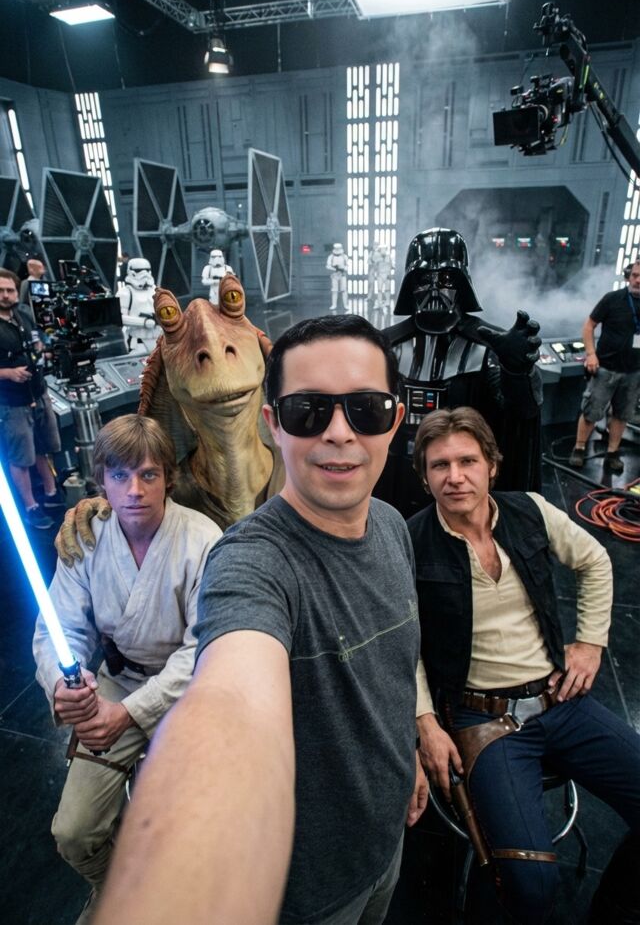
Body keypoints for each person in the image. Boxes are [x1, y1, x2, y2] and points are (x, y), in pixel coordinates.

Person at [93, 314, 428, 925]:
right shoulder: (251, 562)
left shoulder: (390, 526)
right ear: (272, 424)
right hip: (309, 893)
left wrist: (405, 753)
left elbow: (392, 667)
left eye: (366, 410)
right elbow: (231, 702)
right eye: (307, 411)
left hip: (387, 843)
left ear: (395, 420)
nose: (339, 433)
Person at [410, 406, 640, 925]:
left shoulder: (531, 510)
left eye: (467, 461)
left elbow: (595, 560)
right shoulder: (411, 542)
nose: (455, 476)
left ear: (492, 465)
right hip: (483, 719)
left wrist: (591, 643)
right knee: (531, 884)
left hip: (561, 700)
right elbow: (405, 645)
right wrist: (426, 722)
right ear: (424, 478)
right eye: (440, 465)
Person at [32, 414, 222, 925]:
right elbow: (59, 628)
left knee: (193, 835)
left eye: (148, 474)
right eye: (119, 476)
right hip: (114, 683)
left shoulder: (202, 540)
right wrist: (65, 683)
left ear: (168, 477)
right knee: (73, 833)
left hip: (186, 694)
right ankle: (120, 888)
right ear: (101, 480)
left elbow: (202, 646)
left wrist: (131, 714)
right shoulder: (85, 538)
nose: (134, 490)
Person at [379, 228, 543, 519]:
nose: (434, 289)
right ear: (410, 285)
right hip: (399, 477)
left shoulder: (487, 345)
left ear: (462, 283)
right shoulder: (386, 345)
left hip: (461, 480)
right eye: (424, 279)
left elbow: (520, 413)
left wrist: (517, 371)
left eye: (446, 279)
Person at [0, 267, 63, 529]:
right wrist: (7, 373)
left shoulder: (24, 315)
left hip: (39, 393)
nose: (5, 295)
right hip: (12, 403)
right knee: (21, 457)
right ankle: (31, 507)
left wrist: (43, 350)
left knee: (43, 447)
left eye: (10, 290)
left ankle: (51, 493)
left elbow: (40, 338)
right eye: (1, 291)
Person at [569, 259, 640, 474]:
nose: (638, 280)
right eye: (635, 275)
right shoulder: (612, 299)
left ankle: (612, 452)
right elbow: (589, 325)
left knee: (622, 414)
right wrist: (591, 354)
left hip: (633, 371)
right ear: (628, 276)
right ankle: (579, 448)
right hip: (605, 368)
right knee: (592, 411)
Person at [326, 242, 349, 311]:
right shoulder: (331, 257)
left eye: (339, 248)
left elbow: (347, 265)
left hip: (342, 274)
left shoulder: (344, 256)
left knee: (344, 290)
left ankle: (345, 305)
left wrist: (343, 268)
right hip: (334, 275)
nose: (337, 250)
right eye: (336, 248)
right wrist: (335, 269)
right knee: (334, 290)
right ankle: (334, 305)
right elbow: (328, 266)